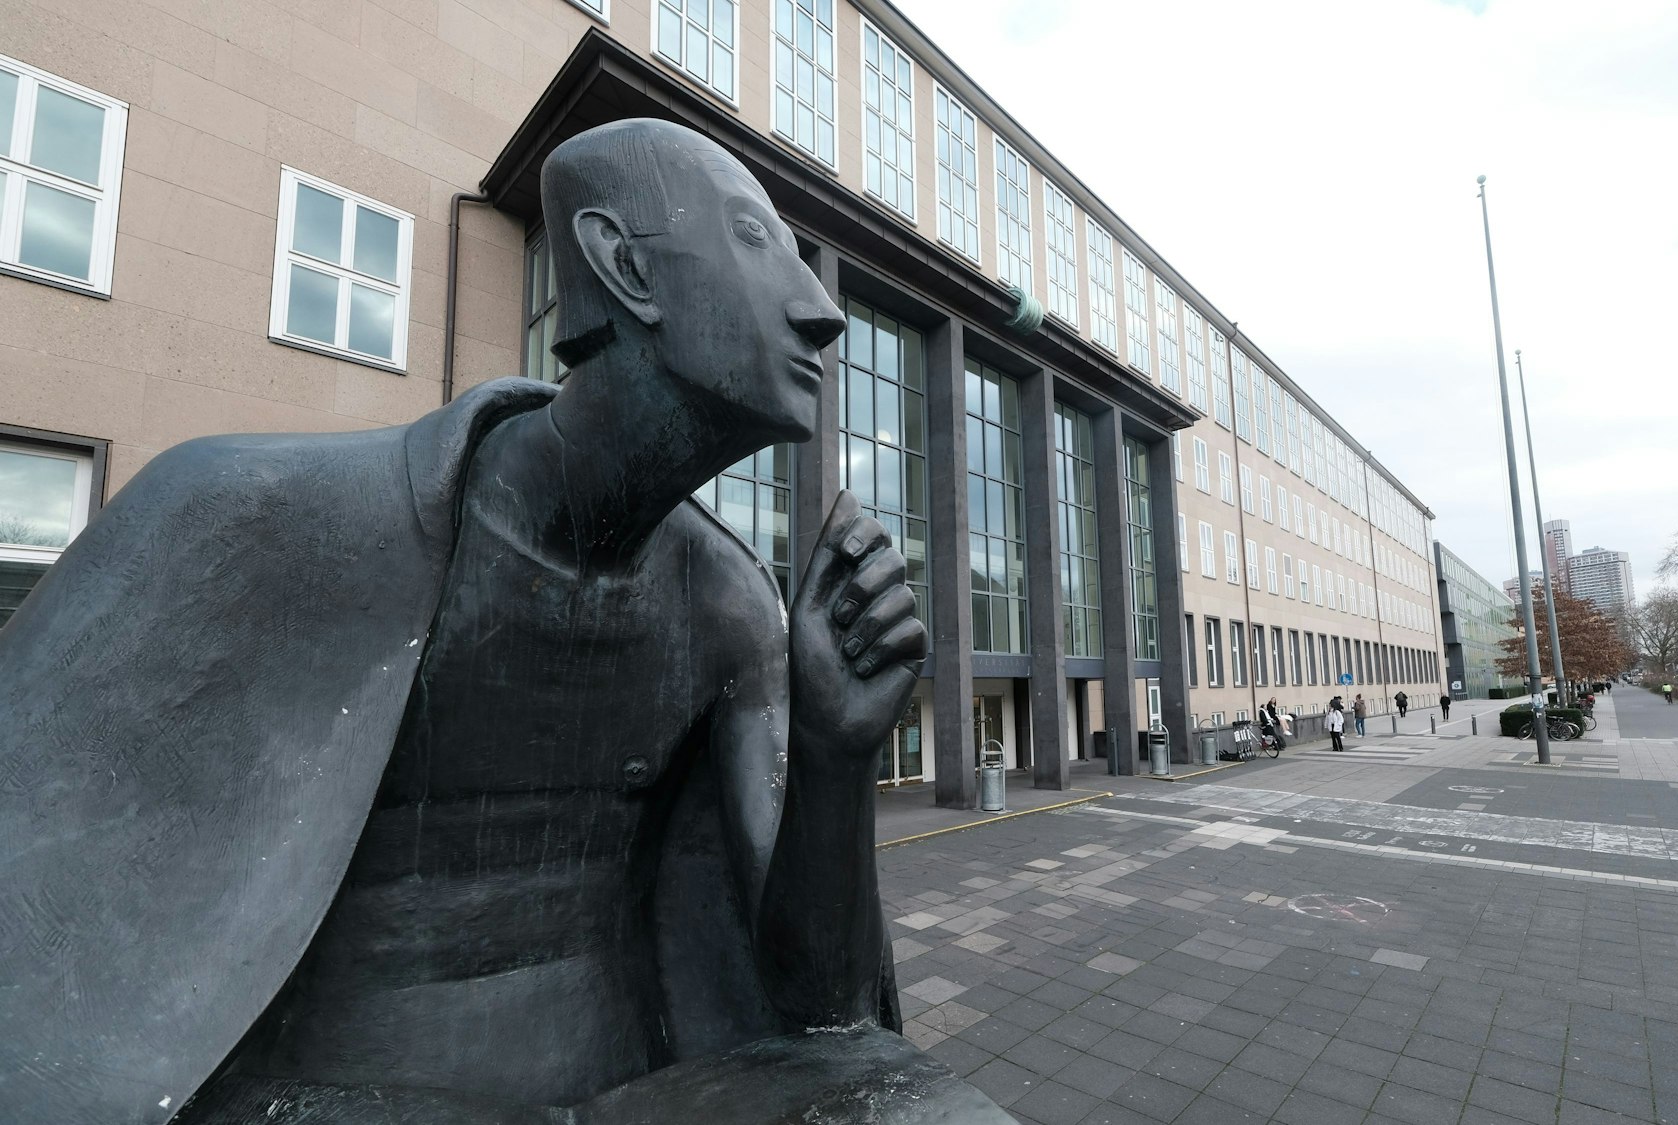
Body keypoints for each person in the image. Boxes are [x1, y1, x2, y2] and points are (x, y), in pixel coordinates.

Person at [0, 120, 1005, 1124]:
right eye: (755, 240)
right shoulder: (247, 517)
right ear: (625, 267)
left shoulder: (729, 604)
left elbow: (824, 1013)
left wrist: (834, 757)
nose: (821, 313)